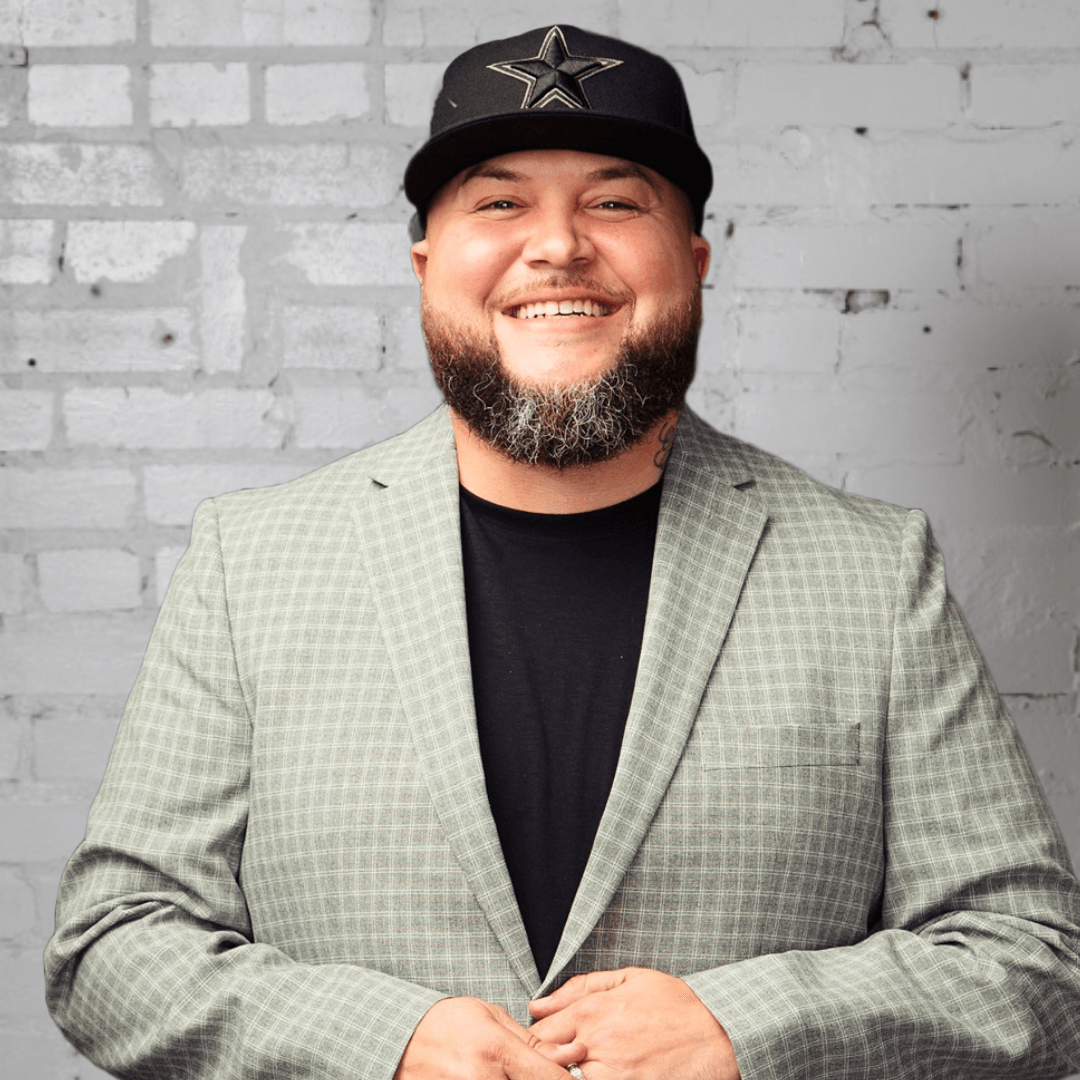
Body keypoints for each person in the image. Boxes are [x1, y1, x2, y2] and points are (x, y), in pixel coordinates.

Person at [45, 24, 1080, 1080]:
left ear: (695, 261)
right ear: (426, 264)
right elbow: (112, 947)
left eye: (615, 201)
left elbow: (1036, 968)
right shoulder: (252, 560)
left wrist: (751, 1027)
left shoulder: (872, 572)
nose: (556, 246)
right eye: (500, 203)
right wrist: (382, 1044)